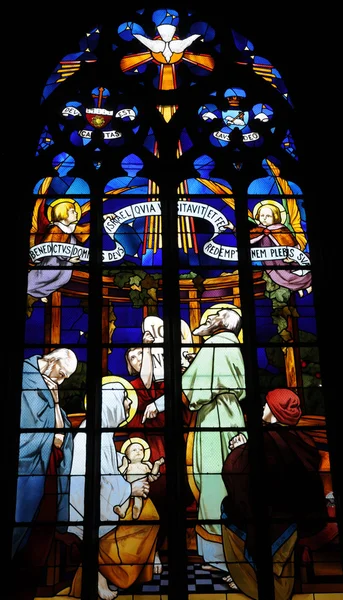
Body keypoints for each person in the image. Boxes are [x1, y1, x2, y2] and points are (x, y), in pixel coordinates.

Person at [142, 307, 246, 579]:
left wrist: (158, 404)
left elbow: (189, 388)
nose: (205, 321)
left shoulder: (215, 345)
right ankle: (224, 555)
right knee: (220, 481)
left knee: (214, 483)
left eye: (211, 318)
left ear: (221, 324)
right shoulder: (231, 346)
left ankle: (226, 558)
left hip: (215, 419)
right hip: (226, 414)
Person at [221, 388, 330, 600]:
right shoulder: (302, 439)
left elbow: (240, 470)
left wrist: (239, 449)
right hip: (298, 513)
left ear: (274, 411)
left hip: (275, 512)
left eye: (267, 405)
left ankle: (249, 579)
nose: (263, 408)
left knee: (228, 510)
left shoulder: (269, 438)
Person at [67, 381, 159, 600]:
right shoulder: (91, 433)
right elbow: (93, 482)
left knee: (150, 512)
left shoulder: (103, 432)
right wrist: (130, 488)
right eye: (124, 399)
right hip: (88, 507)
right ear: (111, 404)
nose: (128, 404)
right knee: (148, 518)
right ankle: (105, 573)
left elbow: (108, 468)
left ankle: (116, 573)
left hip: (107, 499)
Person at [11, 348, 78, 599]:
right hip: (27, 469)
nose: (61, 380)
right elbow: (28, 427)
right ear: (51, 362)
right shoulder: (25, 378)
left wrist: (57, 403)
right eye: (61, 374)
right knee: (21, 523)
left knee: (42, 526)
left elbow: (57, 423)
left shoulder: (50, 383)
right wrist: (52, 436)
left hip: (47, 466)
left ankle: (28, 583)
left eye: (65, 377)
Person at [226, 200, 312, 296]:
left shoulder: (281, 229)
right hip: (269, 262)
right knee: (279, 278)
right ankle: (299, 288)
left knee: (289, 275)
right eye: (262, 216)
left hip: (283, 260)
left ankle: (307, 284)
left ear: (276, 217)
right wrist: (233, 228)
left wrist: (292, 257)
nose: (265, 218)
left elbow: (292, 245)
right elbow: (245, 237)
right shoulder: (258, 229)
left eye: (268, 216)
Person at [114, 440, 165, 520]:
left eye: (141, 450)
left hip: (141, 489)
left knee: (138, 502)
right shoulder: (128, 466)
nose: (138, 451)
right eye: (134, 450)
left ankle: (136, 514)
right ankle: (122, 511)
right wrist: (124, 466)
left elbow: (152, 475)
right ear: (127, 454)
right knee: (125, 501)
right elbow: (119, 474)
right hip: (127, 488)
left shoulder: (145, 466)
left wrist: (156, 464)